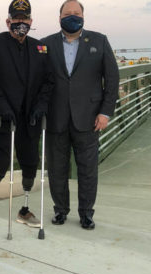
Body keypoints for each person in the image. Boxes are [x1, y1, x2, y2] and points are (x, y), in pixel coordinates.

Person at [0, 0, 54, 230]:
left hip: (30, 119)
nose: (21, 24)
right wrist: (3, 108)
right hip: (2, 117)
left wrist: (41, 105)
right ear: (8, 21)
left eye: (25, 19)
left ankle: (25, 209)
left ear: (31, 22)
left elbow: (48, 82)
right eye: (16, 20)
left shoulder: (40, 48)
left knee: (30, 163)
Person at [42, 0, 119, 229]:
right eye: (68, 13)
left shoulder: (99, 40)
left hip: (89, 118)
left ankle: (86, 213)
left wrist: (105, 112)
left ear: (83, 17)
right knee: (57, 169)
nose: (72, 16)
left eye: (77, 13)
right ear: (59, 18)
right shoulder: (45, 44)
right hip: (56, 118)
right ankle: (60, 210)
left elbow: (112, 79)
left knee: (87, 170)